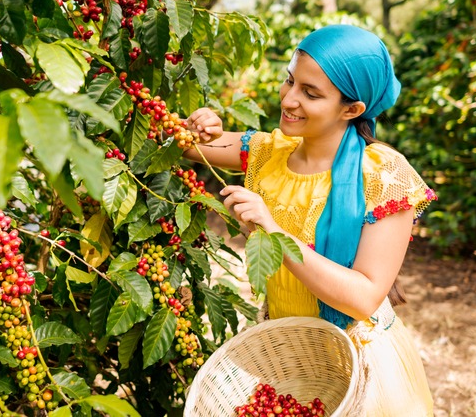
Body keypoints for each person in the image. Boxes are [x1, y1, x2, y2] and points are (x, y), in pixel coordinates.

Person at [183, 24, 437, 415]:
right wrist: (199, 126)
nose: (289, 99)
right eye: (290, 81)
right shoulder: (270, 152)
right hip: (288, 357)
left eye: (310, 93)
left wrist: (274, 231)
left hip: (357, 363)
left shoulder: (385, 176)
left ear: (352, 110)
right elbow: (187, 144)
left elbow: (364, 297)